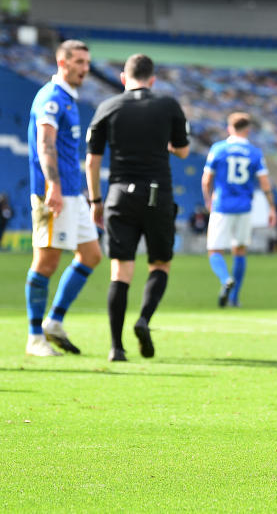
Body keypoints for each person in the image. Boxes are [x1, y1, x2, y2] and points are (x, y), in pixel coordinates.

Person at [85, 53, 190, 362]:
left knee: (120, 272)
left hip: (119, 195)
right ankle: (144, 318)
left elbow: (92, 160)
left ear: (123, 78)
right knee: (159, 264)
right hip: (156, 194)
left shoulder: (107, 107)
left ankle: (116, 347)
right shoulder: (168, 104)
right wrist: (167, 144)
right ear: (152, 79)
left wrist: (95, 201)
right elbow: (183, 151)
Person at [24, 39, 102, 357]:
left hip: (73, 192)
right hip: (53, 192)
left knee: (92, 254)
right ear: (62, 62)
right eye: (79, 62)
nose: (85, 68)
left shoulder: (69, 98)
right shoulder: (52, 98)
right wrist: (53, 186)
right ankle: (34, 337)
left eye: (87, 62)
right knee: (46, 261)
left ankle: (53, 321)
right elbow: (45, 144)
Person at [202, 112, 277, 307]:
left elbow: (206, 179)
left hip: (222, 206)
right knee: (240, 250)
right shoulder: (255, 152)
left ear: (229, 128)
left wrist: (208, 200)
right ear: (248, 130)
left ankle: (225, 279)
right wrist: (271, 207)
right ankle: (234, 298)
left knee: (214, 250)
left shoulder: (218, 149)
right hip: (244, 207)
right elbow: (265, 183)